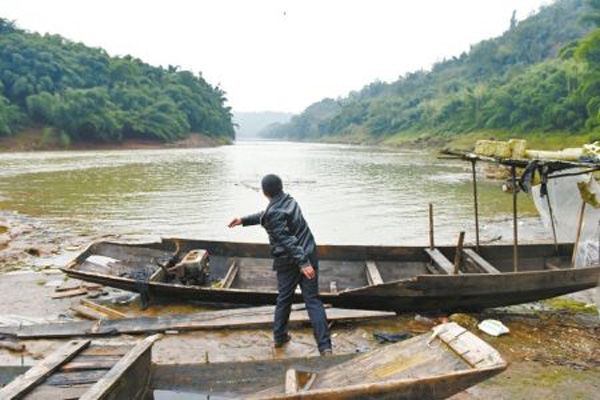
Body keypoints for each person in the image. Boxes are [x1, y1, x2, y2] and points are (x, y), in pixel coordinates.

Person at [228, 174, 332, 355]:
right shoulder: (289, 201)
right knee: (313, 301)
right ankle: (325, 347)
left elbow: (286, 239)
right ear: (281, 187)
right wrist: (244, 220)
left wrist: (303, 263)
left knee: (284, 299)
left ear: (264, 192)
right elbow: (268, 216)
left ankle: (279, 338)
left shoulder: (274, 211)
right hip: (308, 253)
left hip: (292, 262)